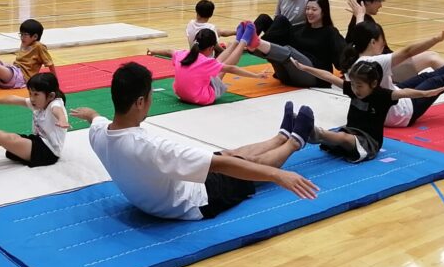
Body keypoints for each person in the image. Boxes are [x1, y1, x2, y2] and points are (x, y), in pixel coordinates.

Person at [70, 62, 318, 221]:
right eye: (149, 97)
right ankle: (293, 143)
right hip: (195, 202)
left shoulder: (98, 134)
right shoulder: (149, 148)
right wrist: (278, 176)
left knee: (228, 153)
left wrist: (89, 113)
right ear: (140, 102)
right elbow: (220, 166)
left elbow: (96, 118)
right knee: (238, 163)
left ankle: (279, 137)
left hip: (153, 199)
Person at [285, 60, 444, 163]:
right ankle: (313, 133)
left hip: (369, 142)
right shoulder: (353, 89)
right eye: (353, 84)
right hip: (350, 131)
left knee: (342, 137)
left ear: (374, 84)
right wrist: (305, 68)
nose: (355, 89)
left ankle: (314, 132)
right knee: (342, 136)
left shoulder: (382, 96)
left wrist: (426, 94)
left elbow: (405, 92)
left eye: (360, 86)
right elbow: (329, 77)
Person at [342, 21, 444, 127]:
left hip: (385, 103)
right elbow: (408, 51)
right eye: (382, 41)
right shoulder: (375, 62)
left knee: (425, 76)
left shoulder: (352, 61)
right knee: (437, 81)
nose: (384, 45)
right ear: (372, 42)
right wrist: (438, 38)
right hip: (399, 115)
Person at [344, 0, 444, 80]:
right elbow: (362, 47)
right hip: (380, 69)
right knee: (430, 57)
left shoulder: (364, 21)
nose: (380, 5)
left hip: (384, 64)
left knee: (431, 55)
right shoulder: (361, 24)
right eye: (378, 1)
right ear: (367, 1)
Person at [0, 73, 69, 167]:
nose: (32, 98)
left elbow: (58, 111)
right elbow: (14, 99)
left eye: (36, 94)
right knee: (10, 137)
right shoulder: (39, 103)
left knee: (9, 139)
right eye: (30, 94)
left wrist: (62, 120)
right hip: (37, 141)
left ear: (51, 96)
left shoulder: (55, 104)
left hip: (48, 152)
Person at [147, 27, 266, 106]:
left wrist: (153, 51)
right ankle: (242, 41)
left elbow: (168, 51)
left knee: (216, 64)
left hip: (181, 95)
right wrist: (256, 75)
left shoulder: (182, 54)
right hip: (202, 98)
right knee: (222, 68)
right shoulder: (206, 62)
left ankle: (237, 41)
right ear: (211, 48)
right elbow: (231, 68)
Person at [250, 0, 346, 87]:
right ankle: (250, 43)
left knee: (289, 51)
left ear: (323, 12)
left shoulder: (330, 32)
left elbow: (343, 56)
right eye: (307, 9)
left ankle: (256, 44)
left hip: (314, 76)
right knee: (277, 20)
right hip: (287, 75)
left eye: (314, 9)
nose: (309, 12)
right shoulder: (300, 29)